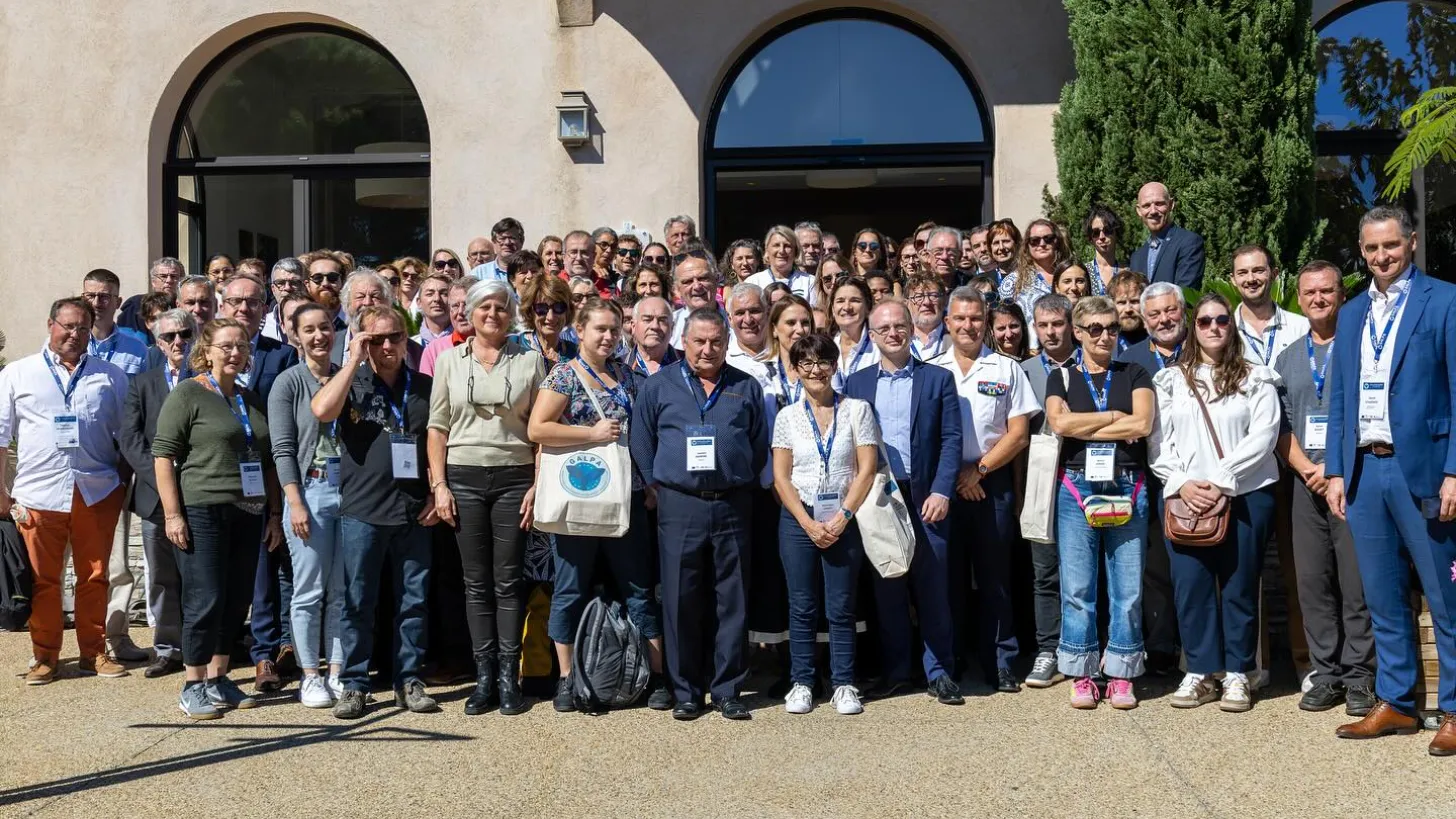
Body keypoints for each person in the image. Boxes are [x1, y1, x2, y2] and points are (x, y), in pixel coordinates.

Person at [1326, 207, 1456, 754]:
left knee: (1444, 596)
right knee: (1381, 596)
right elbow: (1339, 398)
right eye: (1372, 249)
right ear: (1362, 251)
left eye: (1392, 247)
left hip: (1421, 468)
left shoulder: (1445, 300)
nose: (1383, 257)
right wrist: (1335, 469)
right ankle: (1398, 703)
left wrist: (1454, 469)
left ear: (1412, 243)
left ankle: (1452, 708)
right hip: (1363, 469)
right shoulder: (1352, 313)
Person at [526, 298, 671, 712]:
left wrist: (650, 483)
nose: (608, 337)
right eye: (599, 330)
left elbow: (641, 434)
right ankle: (568, 680)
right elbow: (538, 428)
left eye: (613, 330)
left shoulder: (628, 375)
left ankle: (656, 677)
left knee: (640, 589)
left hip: (625, 498)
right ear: (580, 330)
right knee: (570, 589)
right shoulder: (564, 376)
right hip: (580, 498)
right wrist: (590, 434)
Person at [630, 308, 768, 720]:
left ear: (727, 343)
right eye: (699, 342)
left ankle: (728, 689)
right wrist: (657, 485)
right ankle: (685, 689)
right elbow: (641, 440)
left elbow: (758, 442)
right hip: (679, 504)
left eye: (716, 342)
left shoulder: (745, 386)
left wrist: (736, 473)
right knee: (679, 597)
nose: (708, 349)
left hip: (732, 502)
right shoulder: (659, 386)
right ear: (684, 342)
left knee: (734, 598)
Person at [1150, 293, 1281, 713]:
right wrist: (1183, 481)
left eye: (1221, 320)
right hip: (1185, 497)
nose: (1213, 328)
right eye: (1204, 321)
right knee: (1191, 586)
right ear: (1194, 326)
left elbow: (1264, 435)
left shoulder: (1256, 378)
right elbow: (1158, 440)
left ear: (1232, 324)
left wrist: (1223, 479)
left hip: (1245, 494)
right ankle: (1200, 671)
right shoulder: (1171, 380)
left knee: (1241, 585)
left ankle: (1240, 673)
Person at [153, 317, 285, 718]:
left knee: (235, 598)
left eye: (241, 346)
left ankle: (219, 676)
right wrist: (173, 515)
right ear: (206, 351)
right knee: (204, 598)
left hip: (249, 511)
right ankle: (193, 683)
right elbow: (163, 455)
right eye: (225, 345)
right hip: (202, 510)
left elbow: (267, 462)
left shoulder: (249, 398)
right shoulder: (189, 394)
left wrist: (274, 512)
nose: (234, 352)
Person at [312, 306, 439, 719]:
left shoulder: (423, 386)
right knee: (357, 601)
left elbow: (442, 443)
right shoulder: (351, 382)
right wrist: (351, 360)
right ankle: (353, 683)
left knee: (413, 601)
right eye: (376, 339)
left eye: (396, 337)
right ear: (362, 341)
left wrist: (438, 493)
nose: (387, 346)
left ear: (407, 340)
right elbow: (321, 411)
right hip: (363, 511)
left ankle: (409, 679)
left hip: (413, 512)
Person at [427, 280, 545, 716]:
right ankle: (483, 678)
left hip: (516, 478)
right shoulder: (448, 362)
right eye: (484, 307)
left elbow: (539, 429)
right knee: (476, 583)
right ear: (471, 313)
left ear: (510, 313)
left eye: (501, 307)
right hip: (464, 477)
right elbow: (437, 427)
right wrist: (439, 484)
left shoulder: (531, 361)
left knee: (508, 580)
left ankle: (508, 678)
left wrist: (537, 483)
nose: (492, 314)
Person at [0, 297, 130, 684]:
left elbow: (126, 437)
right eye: (67, 326)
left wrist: (120, 485)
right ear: (50, 325)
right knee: (43, 579)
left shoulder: (110, 376)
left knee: (94, 576)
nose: (74, 334)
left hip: (96, 490)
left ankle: (94, 652)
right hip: (38, 494)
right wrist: (2, 495)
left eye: (83, 328)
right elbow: (1, 438)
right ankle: (45, 656)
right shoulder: (18, 374)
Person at [844, 300, 964, 705]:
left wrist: (943, 489)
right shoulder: (857, 383)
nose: (893, 333)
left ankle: (939, 671)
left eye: (900, 326)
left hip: (927, 495)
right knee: (888, 587)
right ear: (872, 336)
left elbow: (951, 439)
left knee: (933, 589)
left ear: (912, 329)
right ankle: (897, 671)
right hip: (881, 498)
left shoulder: (938, 379)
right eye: (884, 328)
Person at [1272, 260, 1376, 716]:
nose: (1318, 299)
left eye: (1327, 292)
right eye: (1310, 292)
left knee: (1355, 584)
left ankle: (1360, 678)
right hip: (1304, 486)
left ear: (1341, 294)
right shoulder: (1288, 358)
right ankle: (1326, 674)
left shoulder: (1359, 348)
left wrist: (1333, 468)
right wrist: (1306, 468)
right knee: (1312, 583)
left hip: (1352, 481)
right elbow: (1279, 426)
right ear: (1299, 296)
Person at [1046, 295, 1157, 709]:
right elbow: (1059, 423)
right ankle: (1081, 672)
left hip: (1128, 482)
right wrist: (1114, 417)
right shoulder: (1061, 376)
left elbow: (1143, 423)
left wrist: (1085, 424)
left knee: (1127, 588)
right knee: (1078, 587)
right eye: (1095, 329)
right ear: (1077, 332)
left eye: (1112, 328)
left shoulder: (1135, 371)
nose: (1105, 336)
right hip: (1076, 487)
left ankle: (1122, 673)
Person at [931, 287, 1036, 694]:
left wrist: (979, 470)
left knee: (995, 578)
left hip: (990, 482)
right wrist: (957, 476)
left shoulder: (1006, 368)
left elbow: (1019, 433)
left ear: (985, 322)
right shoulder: (932, 367)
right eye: (960, 318)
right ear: (948, 323)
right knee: (949, 578)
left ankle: (1001, 662)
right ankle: (953, 658)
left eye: (976, 318)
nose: (968, 326)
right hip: (945, 485)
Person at [771, 333, 879, 716]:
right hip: (798, 518)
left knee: (841, 605)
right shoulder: (787, 417)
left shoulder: (857, 410)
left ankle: (844, 683)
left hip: (843, 517)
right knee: (801, 605)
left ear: (835, 366)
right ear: (796, 370)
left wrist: (842, 517)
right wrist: (807, 522)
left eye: (823, 362)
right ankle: (801, 681)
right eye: (806, 363)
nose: (815, 370)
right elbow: (781, 477)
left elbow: (866, 469)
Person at [218, 273, 299, 690]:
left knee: (266, 567)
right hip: (216, 478)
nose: (244, 309)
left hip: (264, 473)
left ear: (265, 309)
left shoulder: (281, 356)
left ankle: (265, 653)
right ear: (222, 304)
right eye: (236, 301)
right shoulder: (206, 357)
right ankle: (215, 655)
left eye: (252, 302)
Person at [268, 302, 348, 708]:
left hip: (347, 494)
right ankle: (309, 675)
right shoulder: (289, 383)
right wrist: (294, 501)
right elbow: (282, 448)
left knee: (340, 590)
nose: (319, 336)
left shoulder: (347, 376)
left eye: (325, 328)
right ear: (296, 336)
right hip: (310, 492)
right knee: (309, 590)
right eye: (309, 330)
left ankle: (336, 671)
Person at [1113, 280, 1188, 677]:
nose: (1164, 319)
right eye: (1155, 314)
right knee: (1154, 566)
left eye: (1170, 311)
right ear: (1143, 319)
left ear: (1182, 311)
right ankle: (1159, 646)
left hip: (1195, 475)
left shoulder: (1201, 348)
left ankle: (1194, 646)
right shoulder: (1131, 358)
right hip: (1145, 474)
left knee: (1192, 564)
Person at [119, 308, 195, 679]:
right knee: (163, 578)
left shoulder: (210, 380)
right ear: (158, 343)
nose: (178, 342)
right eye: (170, 337)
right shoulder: (142, 383)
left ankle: (204, 647)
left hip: (201, 493)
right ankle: (168, 649)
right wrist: (159, 477)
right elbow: (130, 438)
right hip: (154, 499)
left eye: (185, 334)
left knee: (202, 577)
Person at [1231, 244, 1309, 366]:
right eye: (1242, 273)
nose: (1251, 279)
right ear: (1233, 280)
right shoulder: (1223, 331)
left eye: (1258, 271)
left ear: (1274, 274)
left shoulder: (1302, 328)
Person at [999, 220, 1070, 338]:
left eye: (1048, 239)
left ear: (1057, 241)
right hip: (1030, 351)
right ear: (1027, 245)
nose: (1042, 244)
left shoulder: (1070, 275)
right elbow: (1003, 319)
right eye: (1035, 241)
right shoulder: (1012, 282)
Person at [1129, 182, 1206, 289]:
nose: (1153, 211)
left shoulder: (1189, 243)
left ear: (1171, 204)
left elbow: (1185, 294)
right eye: (1146, 206)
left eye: (1159, 204)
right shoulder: (1136, 258)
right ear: (1139, 211)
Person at [513, 273, 579, 366]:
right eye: (541, 308)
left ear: (567, 311)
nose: (550, 317)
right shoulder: (514, 346)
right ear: (530, 311)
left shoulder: (576, 354)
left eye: (559, 307)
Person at [119, 256, 186, 340]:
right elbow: (126, 339)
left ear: (181, 281)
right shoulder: (136, 305)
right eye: (163, 276)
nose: (169, 280)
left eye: (173, 276)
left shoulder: (187, 305)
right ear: (153, 281)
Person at [829, 278, 877, 391]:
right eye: (840, 301)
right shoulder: (825, 348)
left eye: (855, 300)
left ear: (868, 308)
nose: (847, 307)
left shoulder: (879, 347)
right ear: (832, 309)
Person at [419, 278, 473, 377]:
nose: (461, 312)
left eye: (467, 305)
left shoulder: (499, 344)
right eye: (455, 306)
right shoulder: (434, 349)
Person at [668, 255, 722, 350]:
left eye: (703, 278)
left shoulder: (736, 324)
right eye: (688, 281)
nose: (697, 286)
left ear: (716, 280)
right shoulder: (669, 326)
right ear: (676, 290)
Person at [745, 226, 813, 301]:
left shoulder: (810, 282)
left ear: (795, 251)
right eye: (776, 245)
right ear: (767, 249)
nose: (781, 251)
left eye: (787, 246)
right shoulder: (752, 283)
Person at [906, 274, 951, 361]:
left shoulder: (956, 340)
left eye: (933, 296)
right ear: (907, 304)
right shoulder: (897, 340)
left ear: (945, 301)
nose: (927, 302)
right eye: (918, 297)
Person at [261, 258, 307, 343]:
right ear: (273, 289)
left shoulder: (317, 322)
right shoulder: (261, 326)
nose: (287, 288)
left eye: (294, 283)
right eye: (281, 283)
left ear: (304, 287)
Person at [1084, 205, 1127, 295]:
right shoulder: (1084, 272)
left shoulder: (1127, 271)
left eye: (1107, 230)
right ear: (1090, 238)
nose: (1102, 237)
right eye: (1095, 232)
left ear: (1116, 234)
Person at [1109, 270, 1149, 353]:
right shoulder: (1103, 344)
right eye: (1122, 302)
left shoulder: (1160, 342)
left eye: (1134, 301)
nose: (1128, 309)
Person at [412, 272, 453, 346]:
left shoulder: (465, 341)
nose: (437, 299)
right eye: (430, 294)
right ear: (419, 302)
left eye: (444, 294)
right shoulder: (411, 346)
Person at [923, 226, 967, 293]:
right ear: (928, 256)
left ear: (959, 256)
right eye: (938, 252)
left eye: (951, 252)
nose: (944, 257)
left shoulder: (971, 285)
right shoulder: (916, 287)